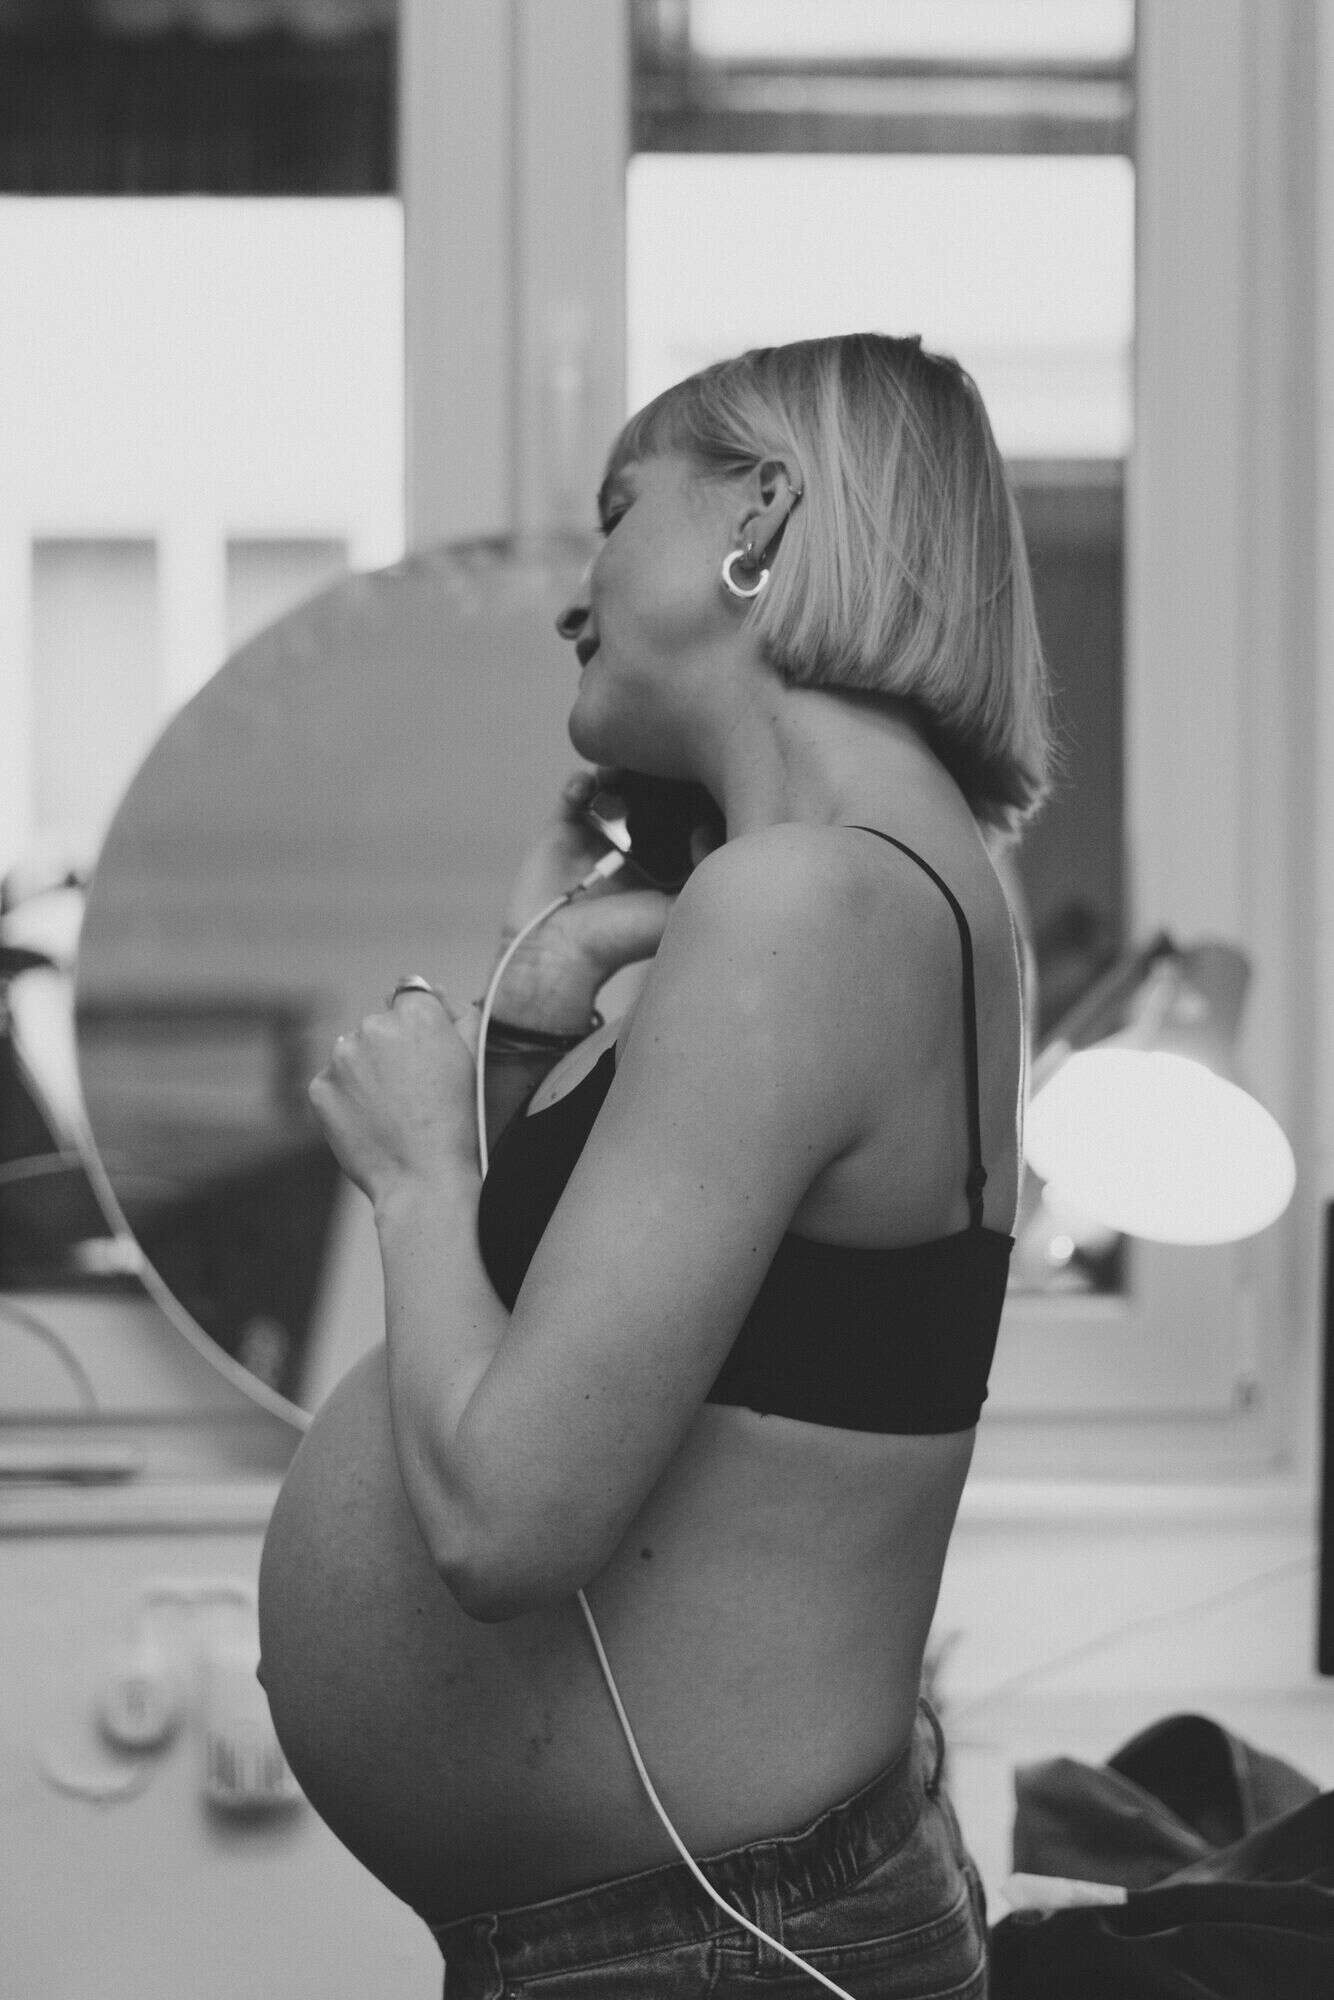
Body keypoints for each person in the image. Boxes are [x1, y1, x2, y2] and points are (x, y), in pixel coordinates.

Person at [258, 331, 1051, 1998]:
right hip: (700, 1926)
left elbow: (506, 1522)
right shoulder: (877, 884)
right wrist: (543, 1005)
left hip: (708, 1944)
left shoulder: (806, 903)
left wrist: (412, 1171)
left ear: (761, 511)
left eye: (620, 510)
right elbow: (572, 1320)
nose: (581, 588)